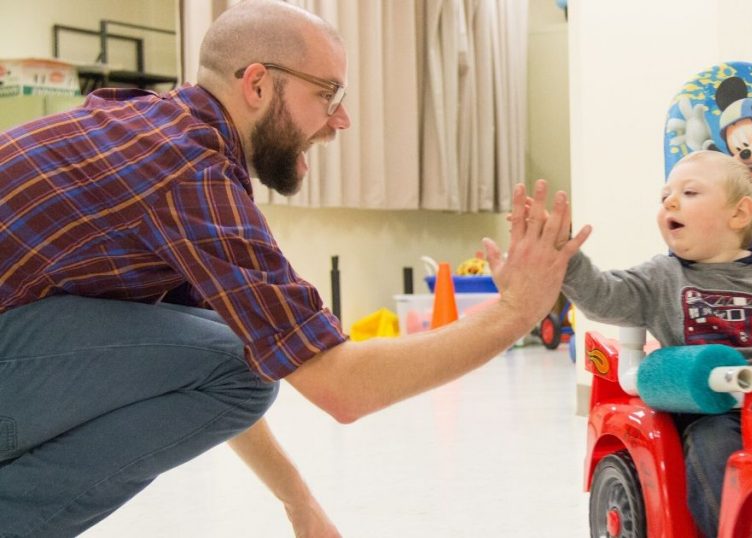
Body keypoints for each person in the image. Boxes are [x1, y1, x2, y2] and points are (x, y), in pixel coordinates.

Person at [0, 1, 591, 536]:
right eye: (328, 94)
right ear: (257, 83)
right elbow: (338, 386)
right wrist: (516, 309)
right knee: (241, 367)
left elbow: (226, 357)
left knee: (233, 356)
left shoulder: (159, 133)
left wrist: (299, 506)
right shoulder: (187, 171)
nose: (341, 121)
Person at [560, 150, 752, 537]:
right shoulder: (663, 277)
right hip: (710, 409)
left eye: (690, 192)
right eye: (665, 195)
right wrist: (565, 258)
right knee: (712, 444)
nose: (670, 201)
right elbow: (604, 296)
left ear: (739, 213)